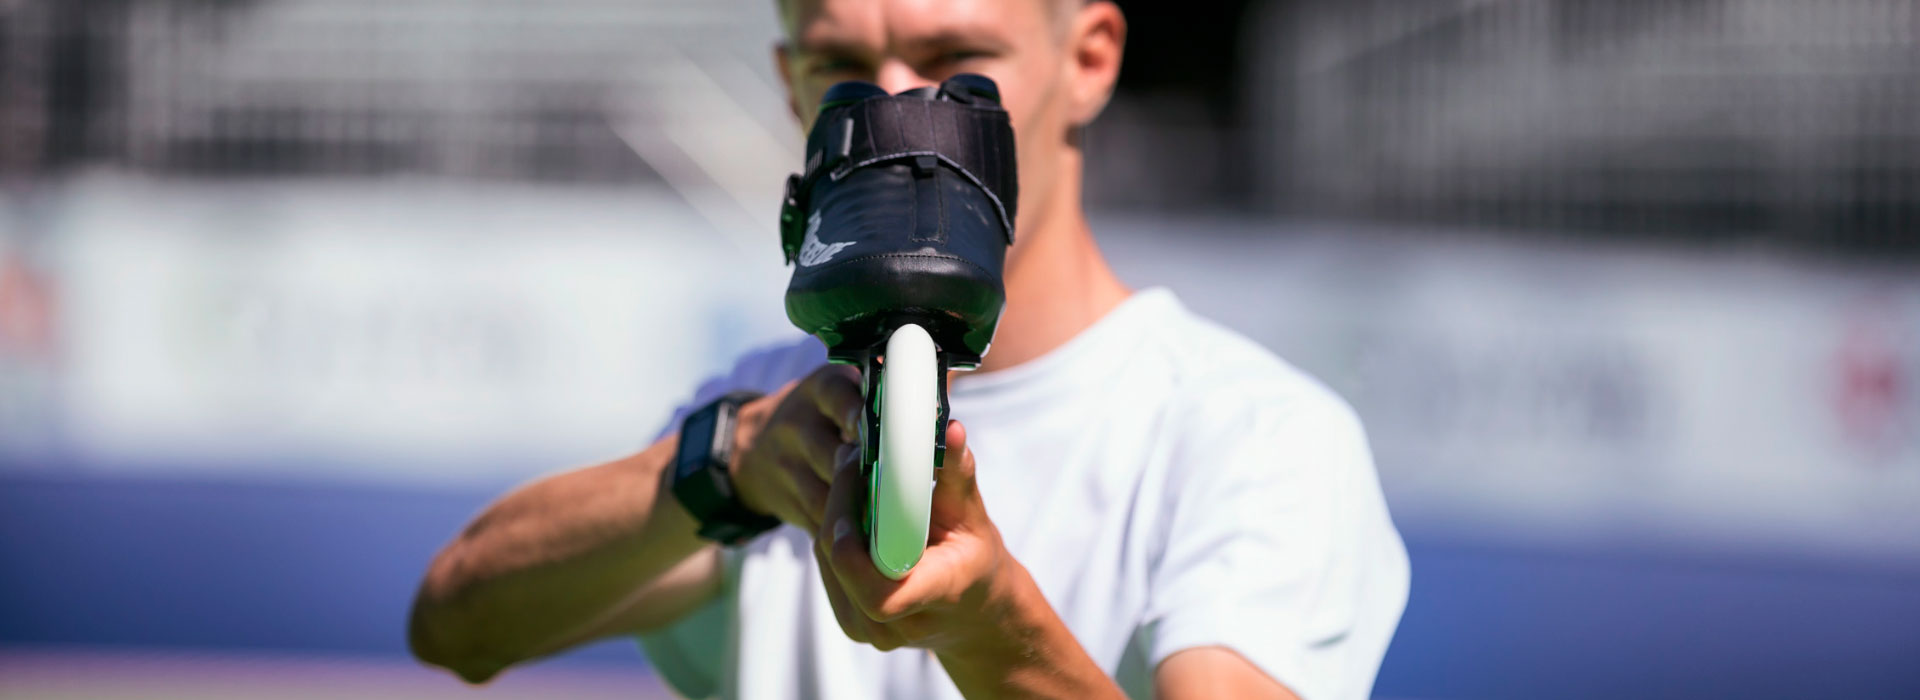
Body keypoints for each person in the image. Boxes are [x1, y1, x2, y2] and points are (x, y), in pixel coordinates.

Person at [406, 1, 1409, 698]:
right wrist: (730, 467)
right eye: (841, 67)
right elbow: (457, 620)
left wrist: (988, 622)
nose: (896, 108)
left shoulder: (1255, 436)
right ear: (791, 84)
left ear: (1090, 57)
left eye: (954, 61)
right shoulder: (771, 408)